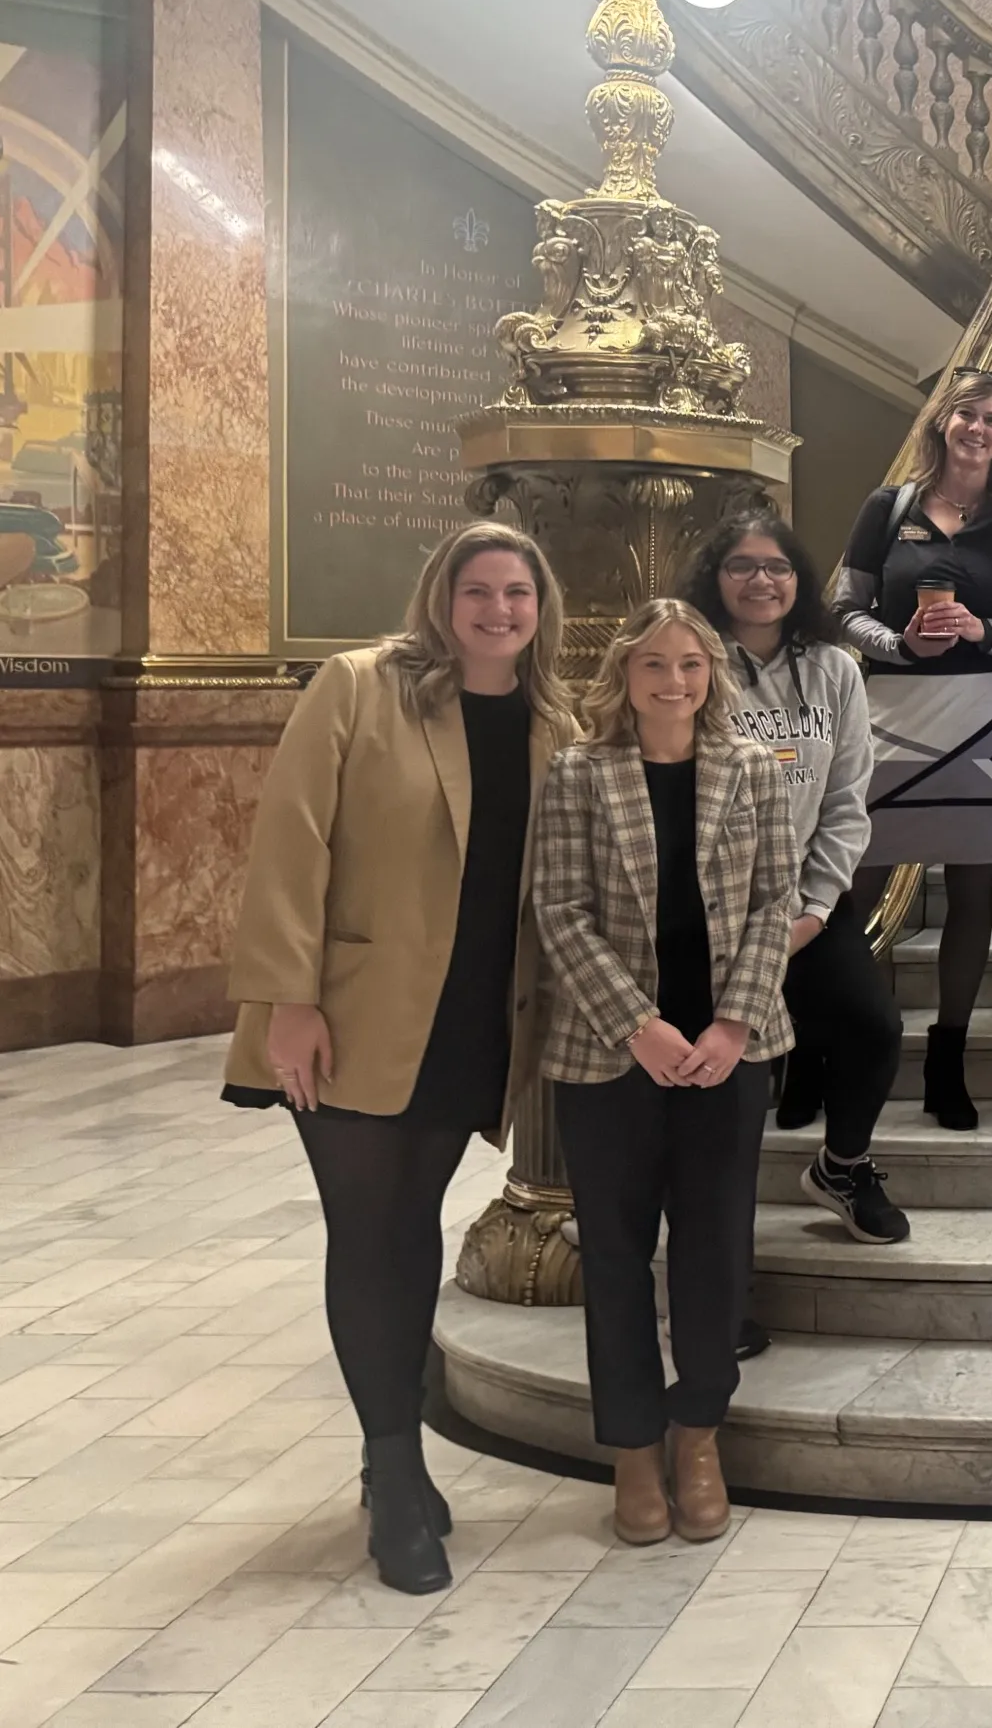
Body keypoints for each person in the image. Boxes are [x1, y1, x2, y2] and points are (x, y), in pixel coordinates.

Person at [224, 521, 570, 1595]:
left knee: (409, 1227)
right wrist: (285, 998)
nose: (498, 610)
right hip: (349, 1011)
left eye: (518, 593)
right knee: (367, 1232)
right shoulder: (360, 686)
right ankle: (392, 1468)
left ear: (539, 607)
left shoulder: (553, 721)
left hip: (472, 1016)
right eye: (478, 590)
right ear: (442, 596)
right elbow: (291, 840)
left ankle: (395, 1456)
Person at [533, 599, 798, 1548]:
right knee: (611, 1254)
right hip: (610, 1055)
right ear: (625, 676)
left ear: (712, 674)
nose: (673, 681)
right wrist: (635, 1025)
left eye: (690, 664)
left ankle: (697, 1438)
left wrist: (734, 1022)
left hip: (728, 1051)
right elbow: (559, 911)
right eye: (654, 665)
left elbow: (779, 901)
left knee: (715, 1250)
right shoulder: (578, 772)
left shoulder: (753, 772)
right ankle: (634, 1449)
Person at [832, 367, 992, 1132]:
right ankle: (836, 1046)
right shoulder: (886, 508)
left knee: (970, 895)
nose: (979, 430)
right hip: (893, 710)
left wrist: (980, 633)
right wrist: (897, 644)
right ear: (942, 423)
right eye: (967, 416)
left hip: (984, 720)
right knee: (853, 891)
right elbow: (842, 609)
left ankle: (946, 1060)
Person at [681, 513, 908, 1247]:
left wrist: (810, 914)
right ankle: (710, 1237)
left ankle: (844, 1166)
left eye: (776, 567)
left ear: (799, 581)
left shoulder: (836, 669)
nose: (761, 581)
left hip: (807, 901)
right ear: (715, 580)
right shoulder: (688, 664)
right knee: (731, 1070)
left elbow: (846, 801)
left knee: (873, 1027)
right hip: (710, 907)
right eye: (741, 566)